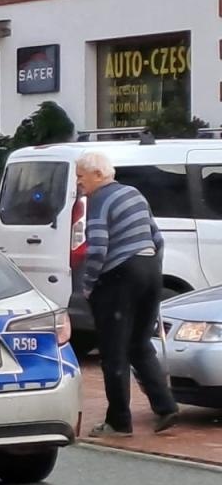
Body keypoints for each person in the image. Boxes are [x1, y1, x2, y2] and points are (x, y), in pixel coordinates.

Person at [75, 151, 179, 437]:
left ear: (98, 175)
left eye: (81, 177)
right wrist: (151, 269)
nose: (79, 184)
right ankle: (165, 406)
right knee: (139, 343)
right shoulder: (134, 193)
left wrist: (88, 284)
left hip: (119, 277)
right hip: (149, 271)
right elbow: (158, 238)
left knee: (113, 352)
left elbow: (97, 248)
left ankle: (119, 422)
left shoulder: (98, 200)